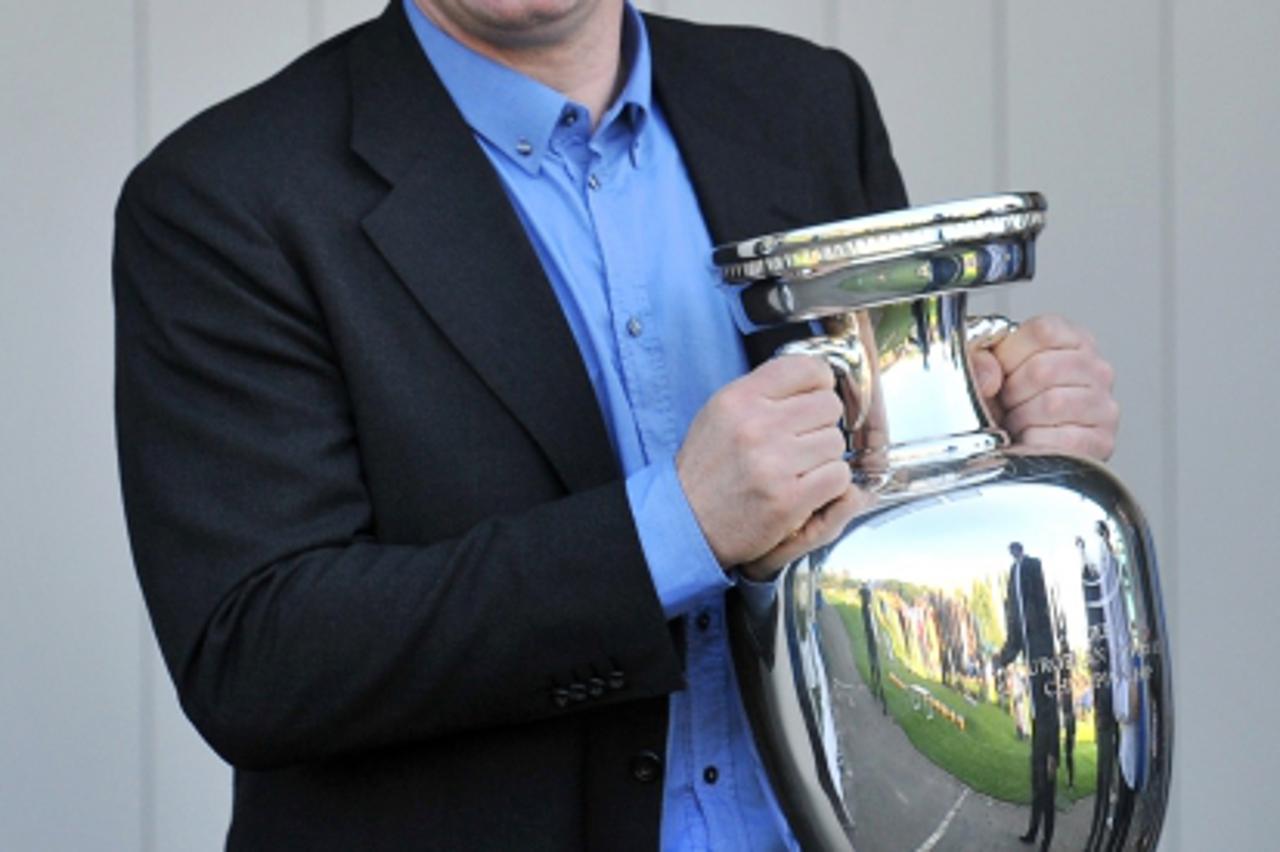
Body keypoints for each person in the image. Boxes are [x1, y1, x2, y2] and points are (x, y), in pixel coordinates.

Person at [112, 1, 1121, 848]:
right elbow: (259, 659)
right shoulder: (225, 194)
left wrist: (979, 446)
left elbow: (878, 536)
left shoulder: (805, 102)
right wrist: (675, 529)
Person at [996, 543, 1060, 851]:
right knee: (1037, 768)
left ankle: (1046, 836)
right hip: (1037, 692)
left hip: (1046, 687)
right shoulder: (1015, 574)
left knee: (1049, 765)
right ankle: (1034, 831)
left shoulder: (1033, 567)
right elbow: (1015, 629)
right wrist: (1002, 659)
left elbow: (1040, 609)